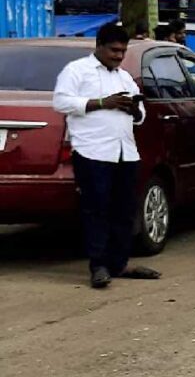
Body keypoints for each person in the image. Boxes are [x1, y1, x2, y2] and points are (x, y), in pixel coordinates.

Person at [52, 22, 161, 288]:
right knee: (96, 210)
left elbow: (141, 115)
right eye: (113, 50)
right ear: (99, 46)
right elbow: (61, 101)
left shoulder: (124, 77)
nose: (118, 56)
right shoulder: (77, 71)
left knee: (124, 210)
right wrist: (102, 103)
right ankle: (98, 265)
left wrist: (133, 110)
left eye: (122, 51)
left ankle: (119, 263)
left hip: (125, 152)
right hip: (93, 151)